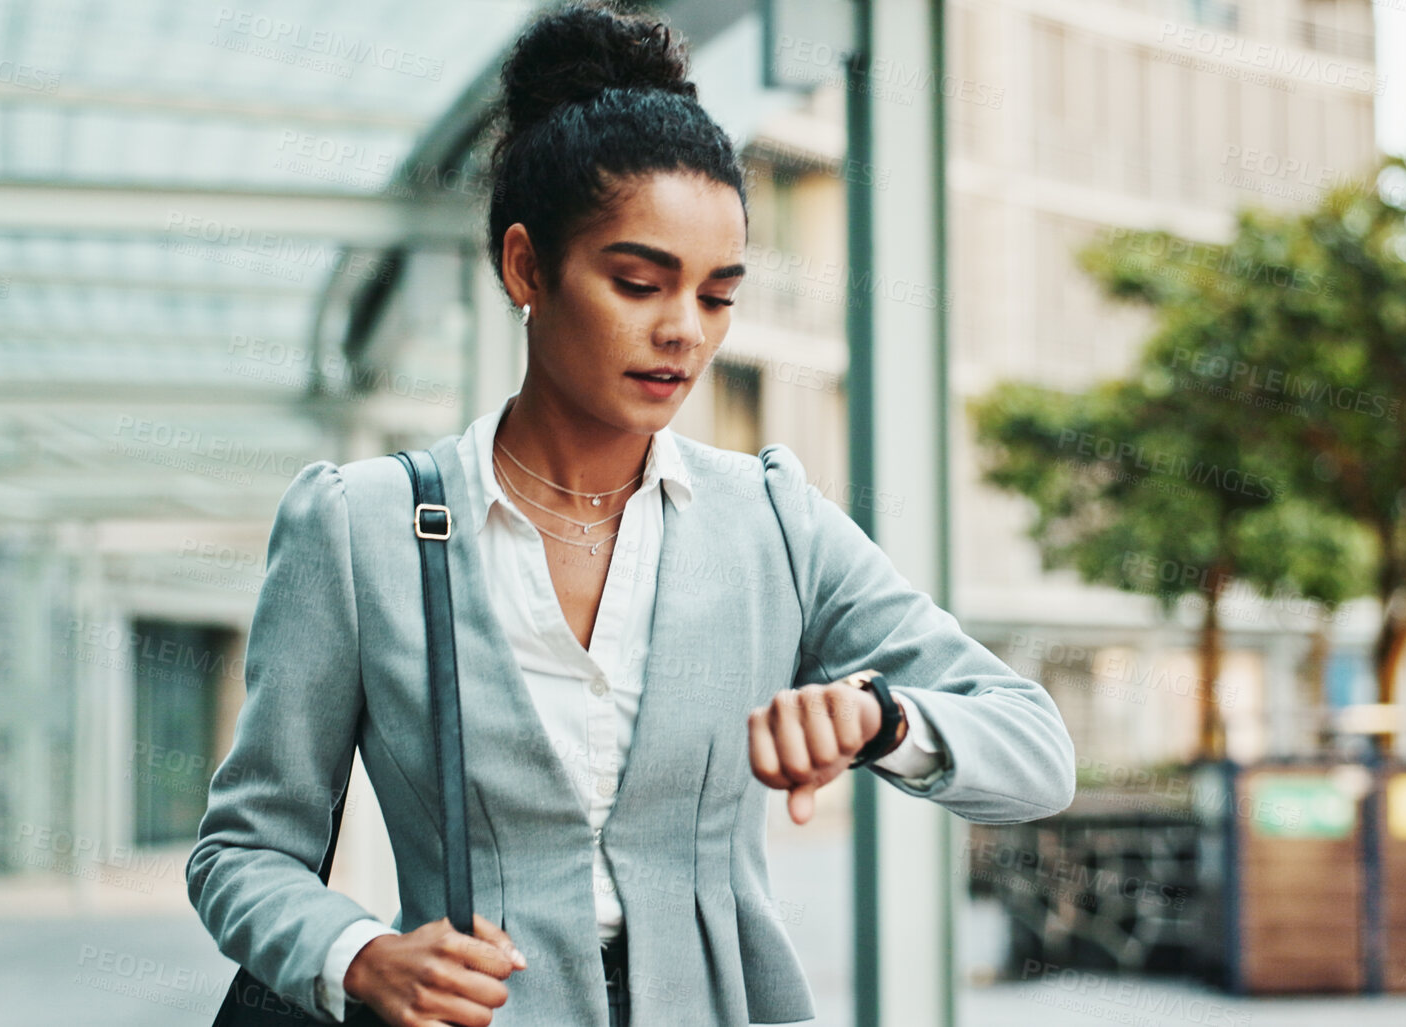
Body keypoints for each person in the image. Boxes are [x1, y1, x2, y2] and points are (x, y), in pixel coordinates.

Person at [186, 4, 1076, 1025]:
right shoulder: (360, 530)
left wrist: (879, 717)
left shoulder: (771, 522)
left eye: (716, 295)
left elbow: (1034, 748)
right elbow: (243, 850)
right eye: (639, 282)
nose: (682, 333)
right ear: (527, 267)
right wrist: (360, 954)